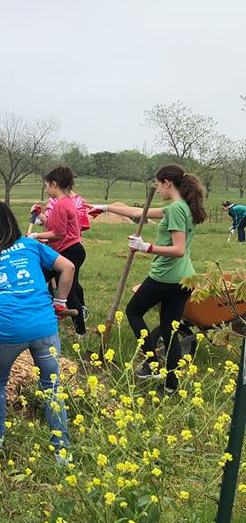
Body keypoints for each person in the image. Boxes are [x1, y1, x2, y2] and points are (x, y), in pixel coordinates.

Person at [0, 200, 75, 464]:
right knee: (52, 387)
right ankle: (61, 451)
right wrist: (61, 302)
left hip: (8, 330)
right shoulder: (31, 245)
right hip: (44, 326)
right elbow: (68, 267)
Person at [89, 164, 206, 394]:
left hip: (166, 277)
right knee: (169, 331)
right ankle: (171, 386)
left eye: (157, 184)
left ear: (167, 183)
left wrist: (146, 247)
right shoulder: (183, 207)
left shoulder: (174, 210)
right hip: (185, 279)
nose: (157, 190)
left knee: (133, 312)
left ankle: (152, 363)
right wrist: (102, 207)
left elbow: (179, 249)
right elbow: (137, 213)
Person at [31, 166, 88, 335]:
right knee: (66, 293)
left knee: (37, 279)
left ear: (54, 184)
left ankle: (77, 329)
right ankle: (79, 331)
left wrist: (34, 236)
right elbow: (53, 225)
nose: (46, 189)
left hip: (70, 251)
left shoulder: (62, 205)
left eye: (46, 185)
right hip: (68, 250)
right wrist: (40, 216)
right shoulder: (64, 203)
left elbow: (58, 233)